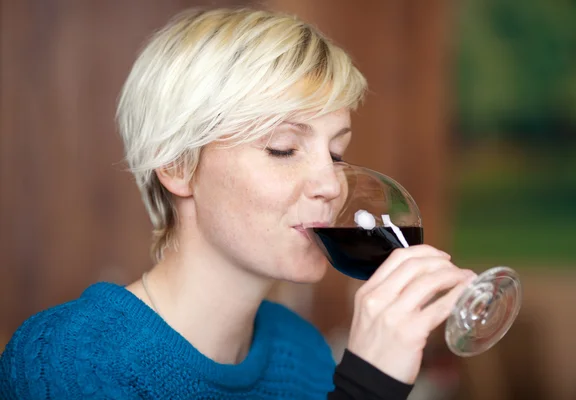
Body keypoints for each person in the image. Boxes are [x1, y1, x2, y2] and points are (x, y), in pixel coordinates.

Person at [0, 7, 475, 399]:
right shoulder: (70, 361)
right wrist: (366, 388)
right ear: (179, 166)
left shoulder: (302, 353)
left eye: (336, 153)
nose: (332, 184)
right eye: (283, 149)